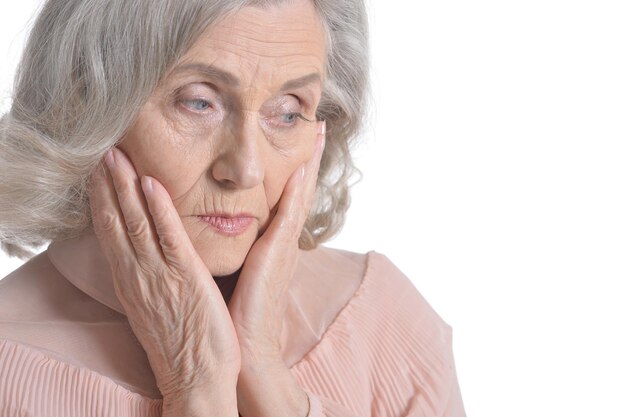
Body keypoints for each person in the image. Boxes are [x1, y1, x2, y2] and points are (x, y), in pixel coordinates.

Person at [0, 0, 466, 416]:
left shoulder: (384, 321)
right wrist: (197, 387)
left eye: (287, 111)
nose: (246, 170)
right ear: (86, 103)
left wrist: (264, 374)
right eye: (199, 102)